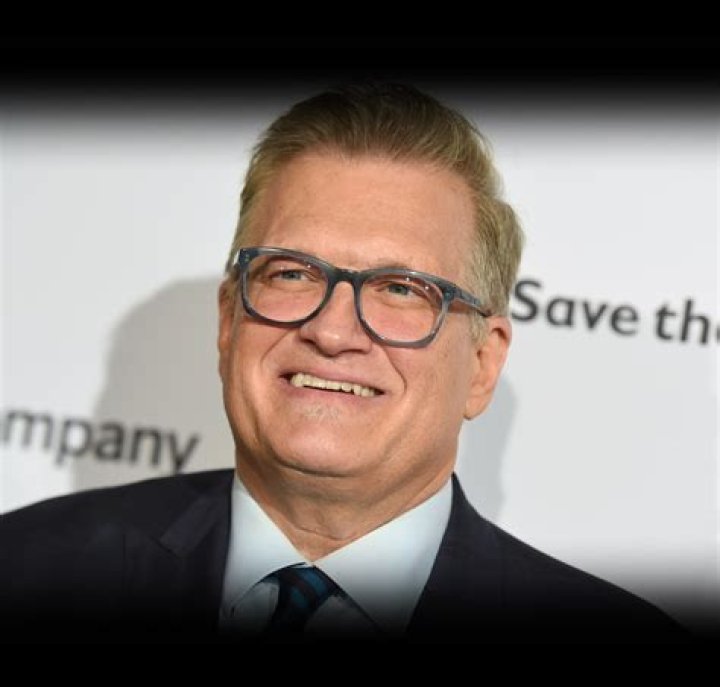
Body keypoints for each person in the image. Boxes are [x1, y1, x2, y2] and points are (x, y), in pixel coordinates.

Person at [0, 81, 690, 644]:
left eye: (401, 289)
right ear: (228, 320)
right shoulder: (25, 569)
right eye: (292, 273)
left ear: (482, 364)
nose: (332, 331)